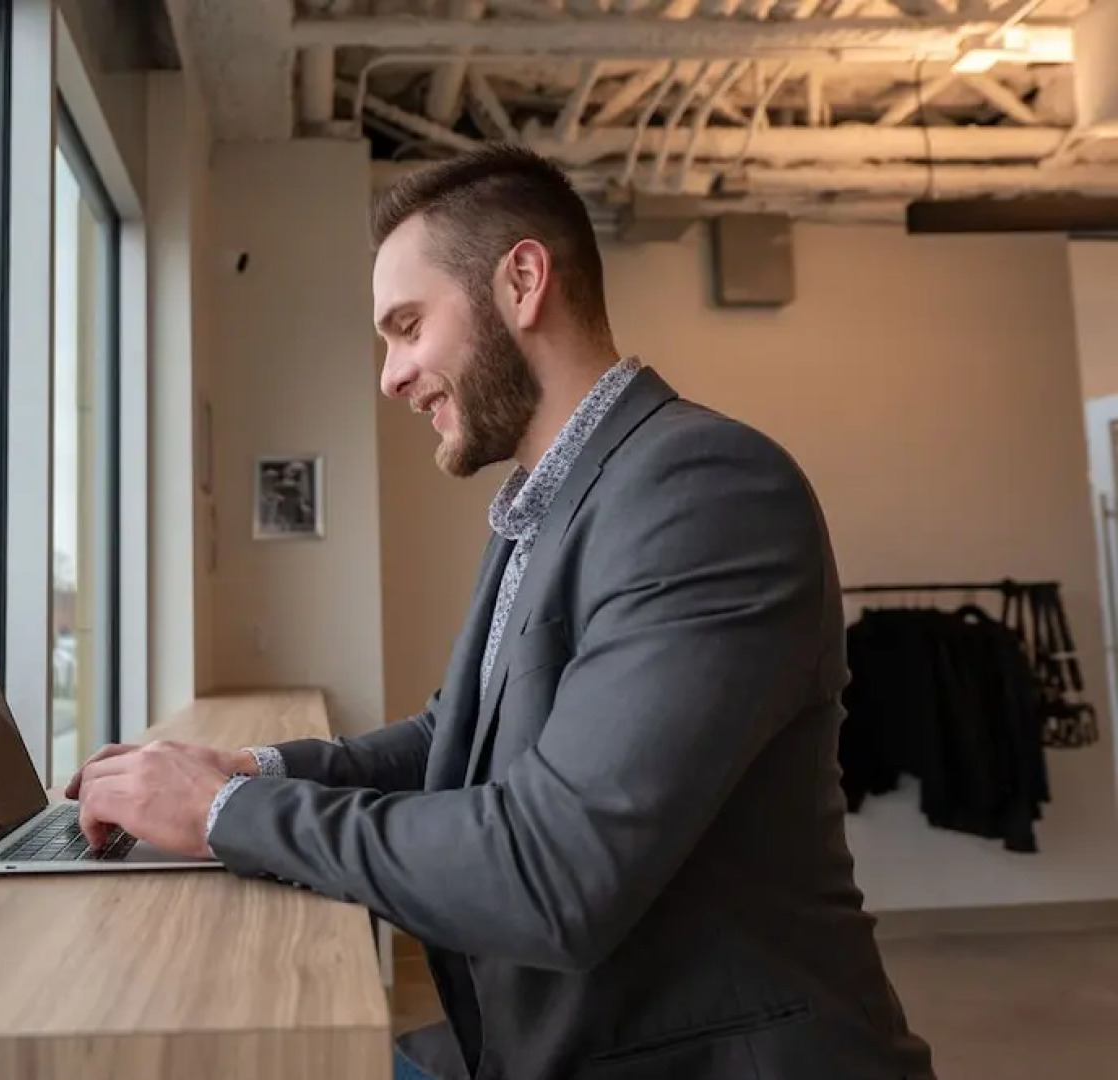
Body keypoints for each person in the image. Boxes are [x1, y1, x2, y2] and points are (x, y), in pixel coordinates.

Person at [67, 144, 936, 1080]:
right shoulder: (548, 500)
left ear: (521, 282)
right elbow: (458, 735)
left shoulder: (704, 490)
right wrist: (250, 767)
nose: (391, 376)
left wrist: (229, 813)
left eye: (406, 326)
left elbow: (551, 873)